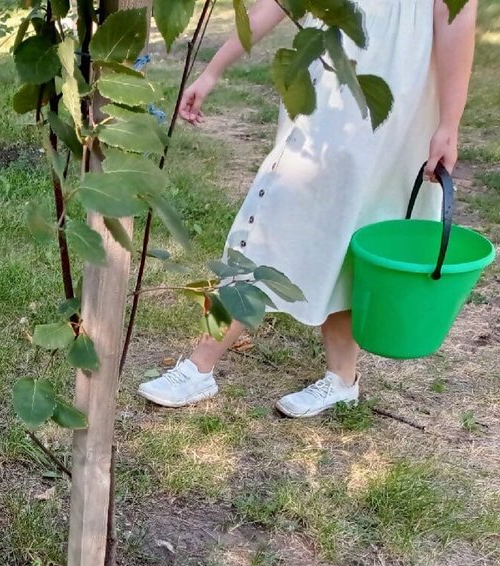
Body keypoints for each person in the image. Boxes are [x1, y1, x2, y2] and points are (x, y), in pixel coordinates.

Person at [137, 0, 477, 417]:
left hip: (397, 102)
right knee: (267, 221)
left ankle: (340, 378)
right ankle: (200, 363)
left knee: (360, 228)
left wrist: (449, 124)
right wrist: (213, 69)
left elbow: (455, 15)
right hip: (328, 96)